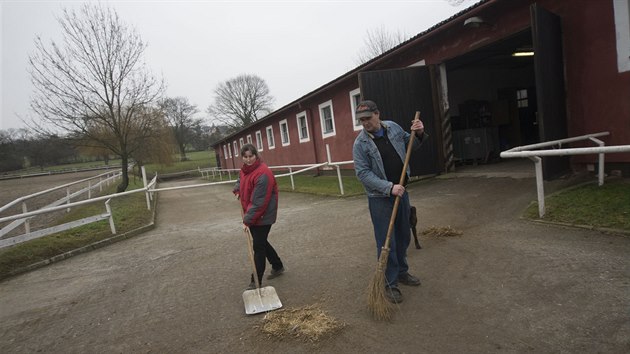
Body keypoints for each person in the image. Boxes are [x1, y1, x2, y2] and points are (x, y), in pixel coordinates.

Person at [352, 100, 428, 304]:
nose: (365, 123)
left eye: (368, 118)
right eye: (362, 120)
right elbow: (363, 174)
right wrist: (388, 187)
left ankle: (402, 272)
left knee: (403, 235)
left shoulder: (393, 127)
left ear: (377, 114)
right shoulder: (360, 144)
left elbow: (410, 142)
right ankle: (390, 282)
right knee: (387, 242)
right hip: (380, 198)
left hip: (402, 192)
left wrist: (419, 132)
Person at [233, 144, 285, 290]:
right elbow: (241, 179)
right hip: (253, 212)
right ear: (242, 157)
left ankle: (255, 281)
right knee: (260, 242)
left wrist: (247, 221)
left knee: (258, 247)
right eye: (245, 157)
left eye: (251, 156)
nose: (248, 160)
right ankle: (277, 265)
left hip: (263, 215)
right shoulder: (245, 170)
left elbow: (259, 202)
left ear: (256, 155)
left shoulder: (263, 173)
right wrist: (237, 189)